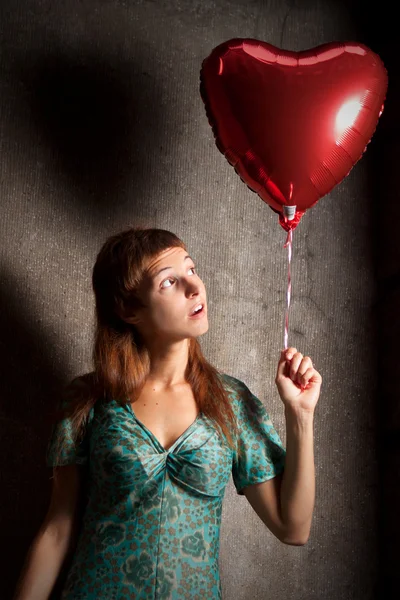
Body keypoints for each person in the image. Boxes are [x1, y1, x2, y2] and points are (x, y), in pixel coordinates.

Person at [13, 226, 321, 599]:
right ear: (128, 308)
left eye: (191, 270)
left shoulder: (230, 401)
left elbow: (293, 528)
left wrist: (300, 414)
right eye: (169, 282)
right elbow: (57, 531)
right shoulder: (89, 399)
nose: (194, 288)